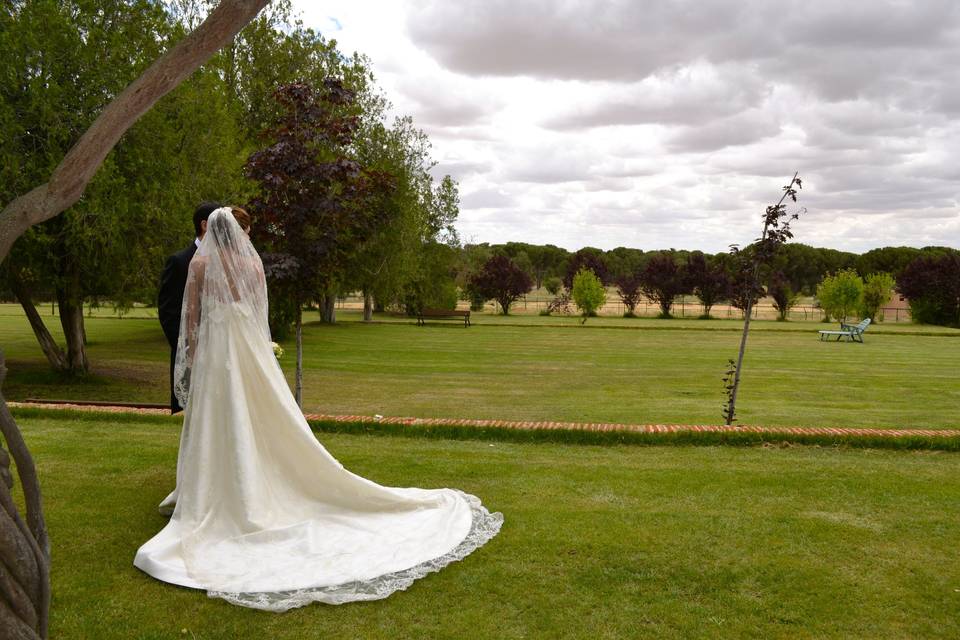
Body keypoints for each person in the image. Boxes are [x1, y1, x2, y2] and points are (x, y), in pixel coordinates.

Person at [136, 207, 502, 611]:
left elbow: (190, 320)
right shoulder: (253, 266)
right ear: (239, 233)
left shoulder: (201, 265)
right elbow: (259, 318)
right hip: (248, 351)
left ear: (211, 232)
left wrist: (192, 353)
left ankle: (217, 491)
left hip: (217, 353)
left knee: (216, 421)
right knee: (258, 417)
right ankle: (243, 482)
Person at [157, 201, 222, 414]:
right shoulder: (179, 261)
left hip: (220, 346)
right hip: (189, 348)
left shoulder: (224, 261)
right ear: (205, 225)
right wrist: (185, 345)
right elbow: (168, 310)